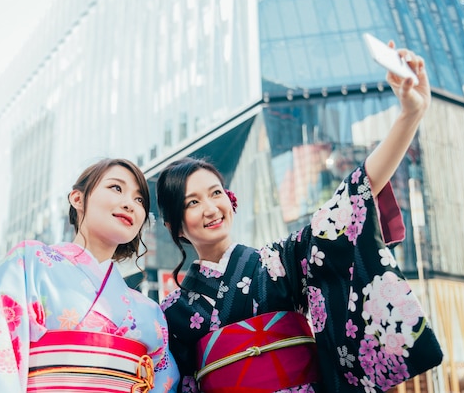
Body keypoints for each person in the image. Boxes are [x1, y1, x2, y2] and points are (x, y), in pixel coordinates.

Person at [156, 45, 444, 392]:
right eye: (192, 202)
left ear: (230, 200)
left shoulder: (279, 260)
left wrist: (409, 115)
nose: (211, 207)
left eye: (216, 193)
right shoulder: (172, 311)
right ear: (176, 226)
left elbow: (350, 200)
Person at [0, 158, 179, 392]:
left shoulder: (150, 311)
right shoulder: (29, 264)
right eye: (116, 188)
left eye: (139, 199)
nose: (130, 204)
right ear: (77, 198)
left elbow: (163, 380)